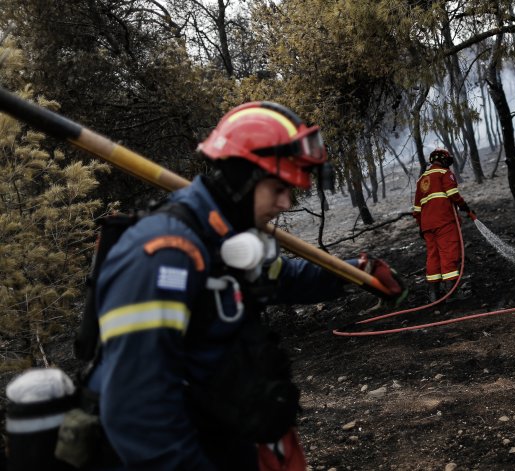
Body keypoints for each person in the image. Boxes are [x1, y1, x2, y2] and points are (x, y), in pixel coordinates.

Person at [83, 101, 403, 470]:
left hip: (228, 434)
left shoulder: (220, 236)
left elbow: (282, 276)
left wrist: (355, 271)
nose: (285, 202)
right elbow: (137, 411)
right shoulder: (164, 254)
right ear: (241, 177)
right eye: (279, 188)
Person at [412, 148, 476, 302]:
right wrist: (465, 207)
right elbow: (453, 193)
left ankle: (434, 295)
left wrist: (421, 226)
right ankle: (451, 294)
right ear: (443, 160)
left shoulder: (422, 179)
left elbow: (417, 209)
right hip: (444, 221)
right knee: (448, 254)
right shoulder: (444, 173)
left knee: (433, 257)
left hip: (427, 225)